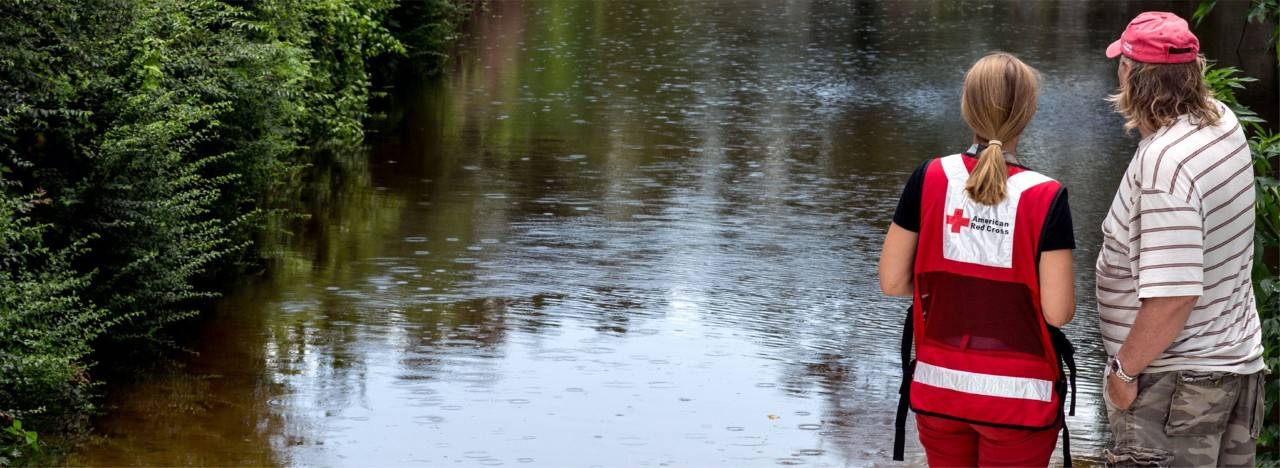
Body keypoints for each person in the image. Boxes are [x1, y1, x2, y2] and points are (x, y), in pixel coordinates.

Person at [879, 52, 1077, 467]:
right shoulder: (1046, 195)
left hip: (941, 387)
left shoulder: (930, 176)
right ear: (1029, 112)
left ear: (966, 106)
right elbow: (1057, 313)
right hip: (1020, 401)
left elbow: (893, 282)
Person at [1097, 12, 1266, 467]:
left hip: (1174, 387)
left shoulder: (1165, 164)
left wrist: (1123, 371)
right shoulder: (1224, 123)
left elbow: (1174, 295)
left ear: (1131, 74)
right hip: (1231, 364)